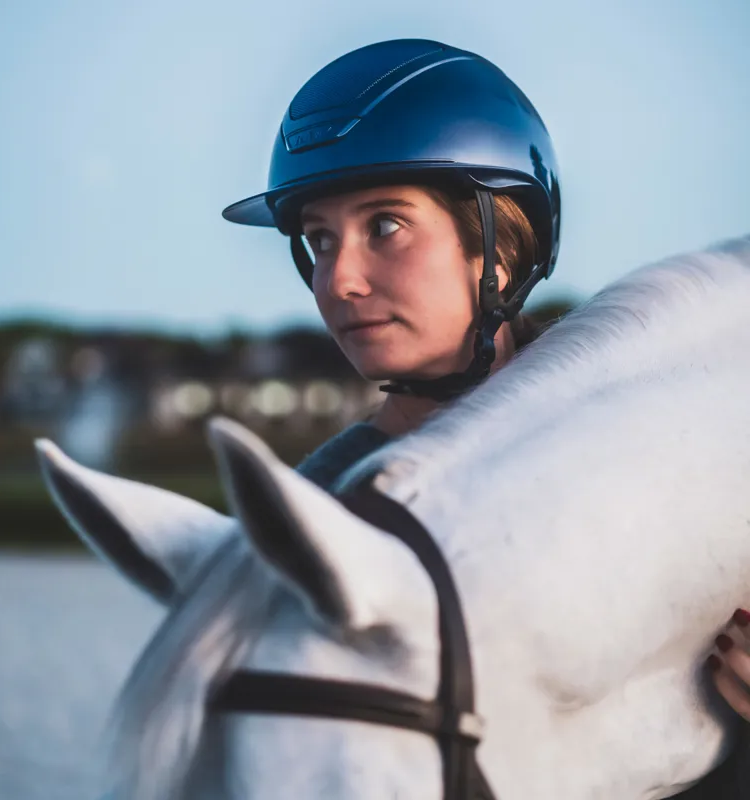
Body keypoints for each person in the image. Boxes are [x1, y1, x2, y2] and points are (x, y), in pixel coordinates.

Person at [222, 38, 750, 796]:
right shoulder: (312, 521)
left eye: (385, 226)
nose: (338, 279)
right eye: (319, 240)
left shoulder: (680, 456)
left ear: (499, 248)